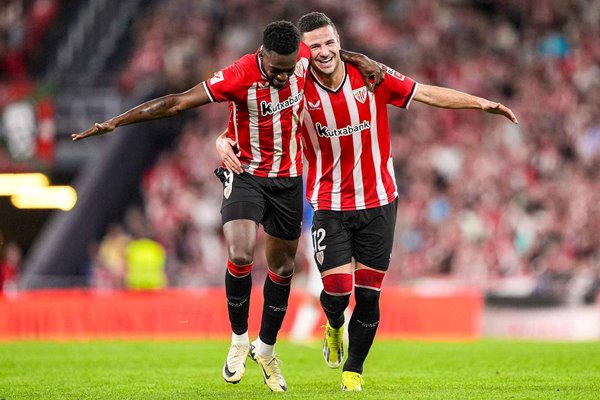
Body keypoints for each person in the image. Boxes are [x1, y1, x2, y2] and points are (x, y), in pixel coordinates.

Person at [72, 20, 384, 393]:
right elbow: (176, 103)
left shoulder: (299, 57)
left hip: (287, 178)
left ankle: (266, 351)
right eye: (277, 70)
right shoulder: (237, 75)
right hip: (246, 174)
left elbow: (326, 52)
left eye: (290, 70)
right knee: (239, 253)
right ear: (262, 55)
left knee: (283, 266)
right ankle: (239, 340)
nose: (285, 78)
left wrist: (359, 58)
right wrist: (115, 122)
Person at [218, 12, 518, 392]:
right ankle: (333, 325)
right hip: (329, 203)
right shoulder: (295, 85)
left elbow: (424, 92)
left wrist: (482, 104)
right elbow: (252, 116)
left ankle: (353, 372)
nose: (324, 51)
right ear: (302, 55)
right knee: (338, 293)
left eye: (330, 42)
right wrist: (222, 140)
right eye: (314, 46)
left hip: (380, 201)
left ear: (339, 41)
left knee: (369, 295)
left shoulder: (371, 76)